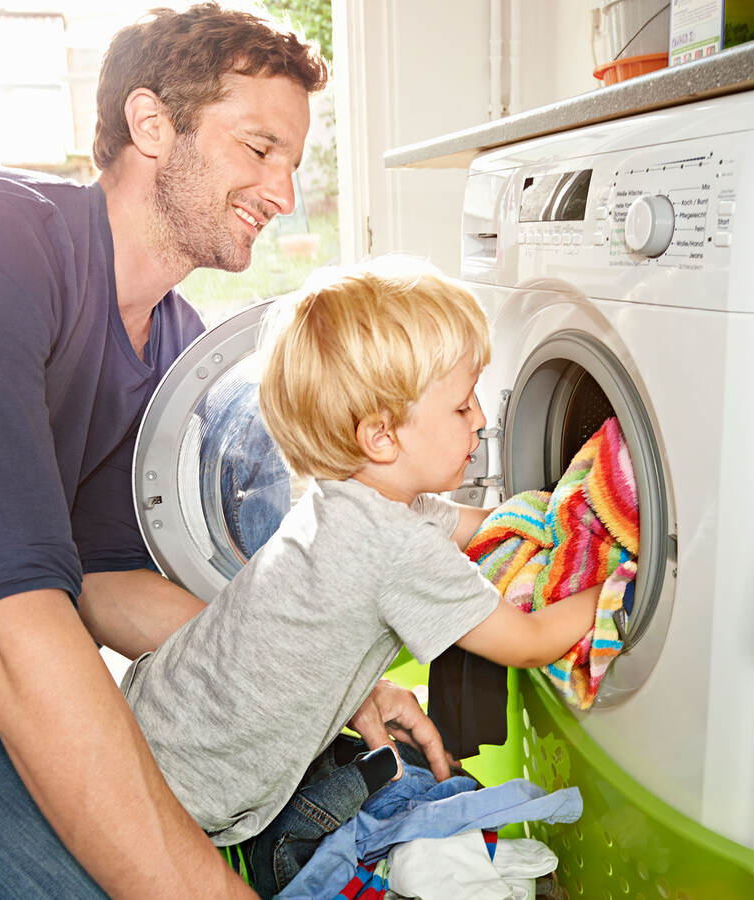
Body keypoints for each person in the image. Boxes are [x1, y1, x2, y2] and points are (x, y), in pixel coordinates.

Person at [0, 6, 449, 898]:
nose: (284, 192)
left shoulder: (174, 343)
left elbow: (100, 583)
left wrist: (314, 678)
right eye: (260, 150)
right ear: (151, 124)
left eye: (293, 163)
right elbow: (7, 616)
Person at [123, 260, 602, 897]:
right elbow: (531, 641)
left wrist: (566, 513)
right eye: (462, 405)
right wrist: (615, 581)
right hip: (192, 791)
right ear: (380, 436)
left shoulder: (349, 501)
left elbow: (477, 524)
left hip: (148, 713)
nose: (483, 419)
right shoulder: (393, 548)